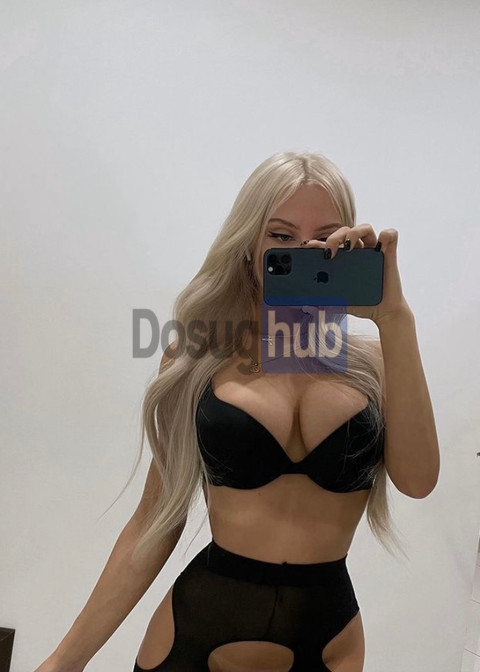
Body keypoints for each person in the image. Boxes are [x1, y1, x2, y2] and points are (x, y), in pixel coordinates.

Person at [35, 151, 439, 672]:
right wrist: (63, 661)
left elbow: (418, 480)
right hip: (194, 636)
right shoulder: (197, 357)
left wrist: (395, 317)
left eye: (324, 238)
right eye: (281, 235)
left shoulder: (376, 364)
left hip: (329, 645)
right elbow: (154, 522)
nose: (303, 251)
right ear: (249, 245)